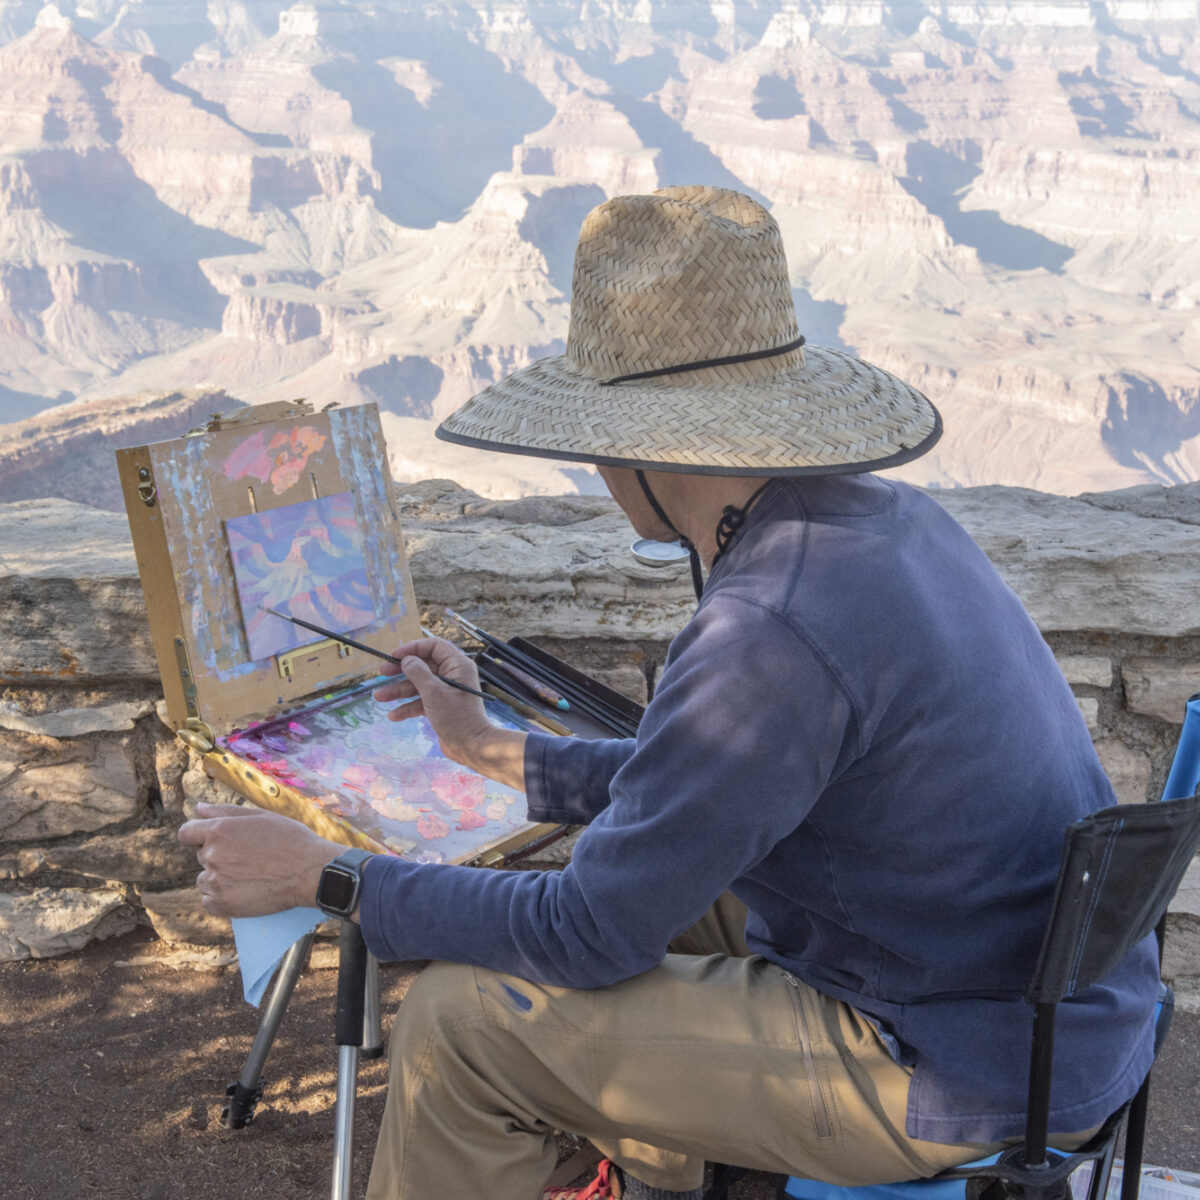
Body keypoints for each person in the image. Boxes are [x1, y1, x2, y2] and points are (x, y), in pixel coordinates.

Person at [179, 186, 1160, 1200]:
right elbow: (703, 786)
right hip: (1023, 1003)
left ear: (647, 446)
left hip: (951, 1061)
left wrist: (329, 878)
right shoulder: (882, 526)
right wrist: (485, 748)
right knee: (646, 904)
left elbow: (587, 932)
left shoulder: (771, 625)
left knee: (462, 1023)